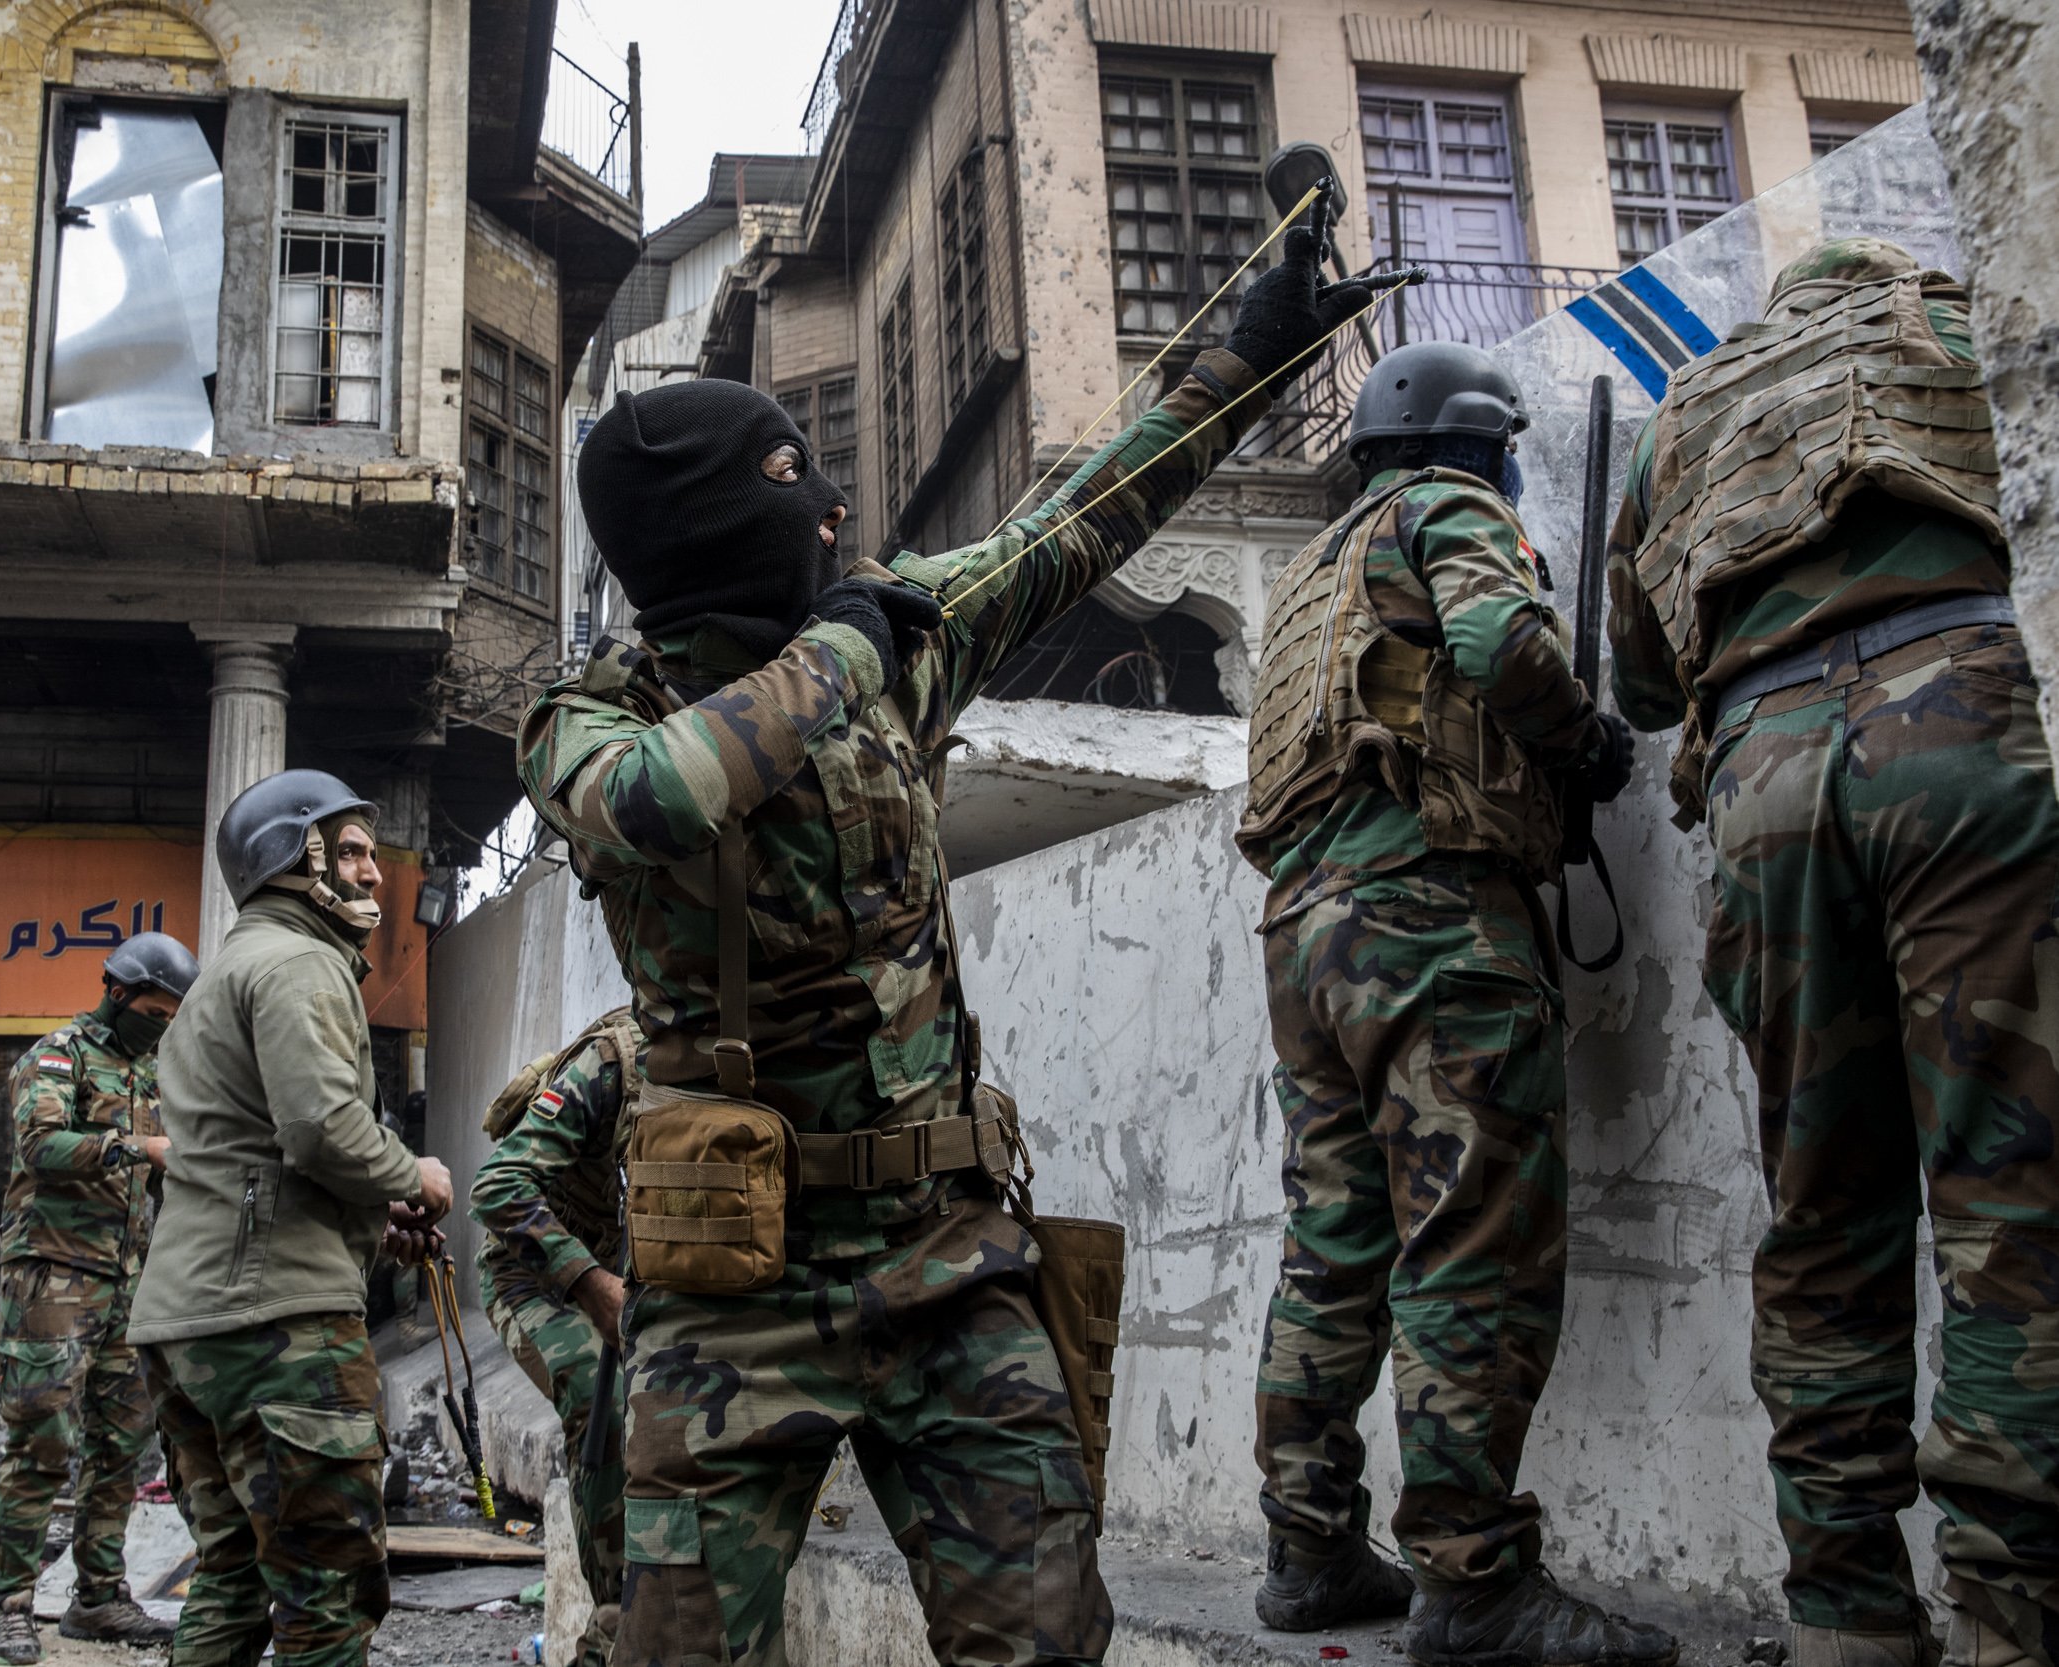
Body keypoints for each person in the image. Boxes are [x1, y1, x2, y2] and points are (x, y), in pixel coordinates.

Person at [516, 210, 1374, 1666]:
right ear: (712, 519)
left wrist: (1249, 352)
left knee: (1048, 1638)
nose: (833, 506)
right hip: (731, 1294)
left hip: (949, 1264)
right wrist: (848, 644)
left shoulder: (900, 624)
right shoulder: (597, 716)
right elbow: (656, 801)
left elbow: (1082, 515)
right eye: (793, 478)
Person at [1605, 237, 2054, 1667]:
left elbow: (1635, 678)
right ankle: (2010, 1608)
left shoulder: (1688, 405)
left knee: (1824, 1211)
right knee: (2011, 1194)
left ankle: (1849, 1614)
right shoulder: (1956, 324)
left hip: (1763, 781)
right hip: (1970, 709)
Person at [1231, 338, 1658, 1666]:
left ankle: (1307, 1550)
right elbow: (1497, 635)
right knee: (1469, 1239)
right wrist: (1584, 741)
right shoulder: (1445, 507)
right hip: (1428, 917)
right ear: (1471, 441)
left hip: (1306, 935)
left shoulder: (1312, 576)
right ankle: (1472, 1582)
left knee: (1333, 1244)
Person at [129, 770, 453, 1667]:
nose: (374, 874)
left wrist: (368, 1204)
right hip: (275, 1326)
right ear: (295, 859)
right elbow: (319, 1130)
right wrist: (413, 1176)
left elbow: (255, 1149)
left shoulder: (224, 973)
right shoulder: (301, 962)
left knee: (232, 1580)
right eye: (350, 851)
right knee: (328, 1596)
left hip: (185, 1323)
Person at [0, 930, 201, 1664]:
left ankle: (99, 1598)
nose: (162, 1023)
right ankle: (9, 1604)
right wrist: (135, 1146)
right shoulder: (57, 1055)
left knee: (121, 1446)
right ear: (117, 993)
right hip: (52, 1276)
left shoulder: (158, 1072)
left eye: (173, 1015)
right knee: (42, 1440)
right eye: (153, 1010)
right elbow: (40, 1145)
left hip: (129, 1283)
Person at [468, 1010, 640, 1667]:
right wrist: (591, 1286)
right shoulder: (610, 1061)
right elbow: (498, 1187)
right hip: (532, 1274)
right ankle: (614, 1620)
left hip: (625, 1273)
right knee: (603, 1395)